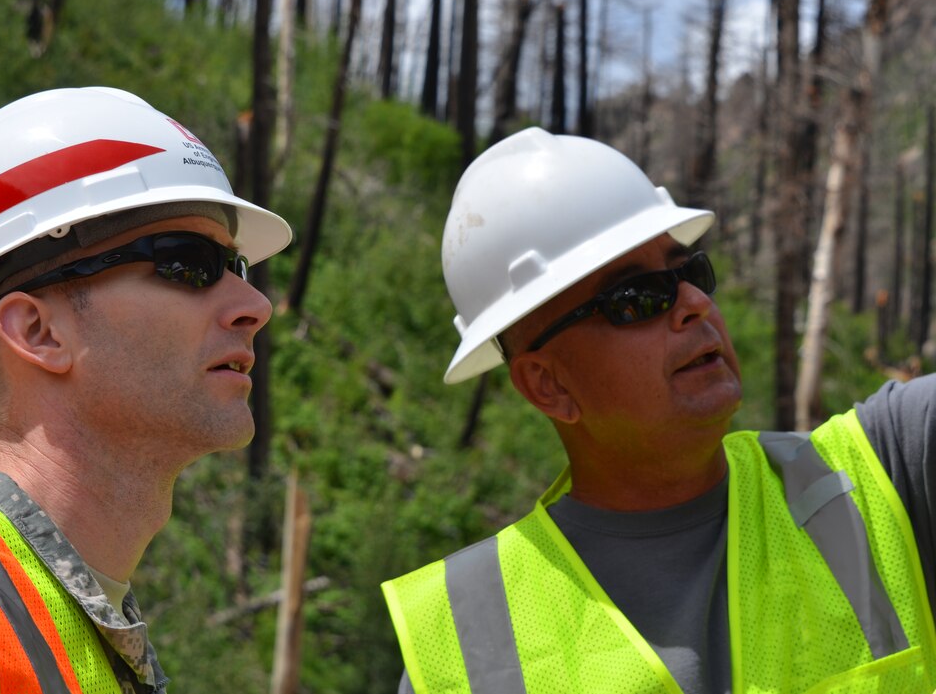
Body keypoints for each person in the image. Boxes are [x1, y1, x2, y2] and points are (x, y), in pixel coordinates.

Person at [381, 127, 936, 693]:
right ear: (547, 385)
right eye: (636, 299)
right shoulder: (468, 649)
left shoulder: (888, 472)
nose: (695, 304)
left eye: (690, 274)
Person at [0, 87, 292, 694]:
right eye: (188, 263)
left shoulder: (82, 631)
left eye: (236, 269)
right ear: (37, 331)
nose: (256, 306)